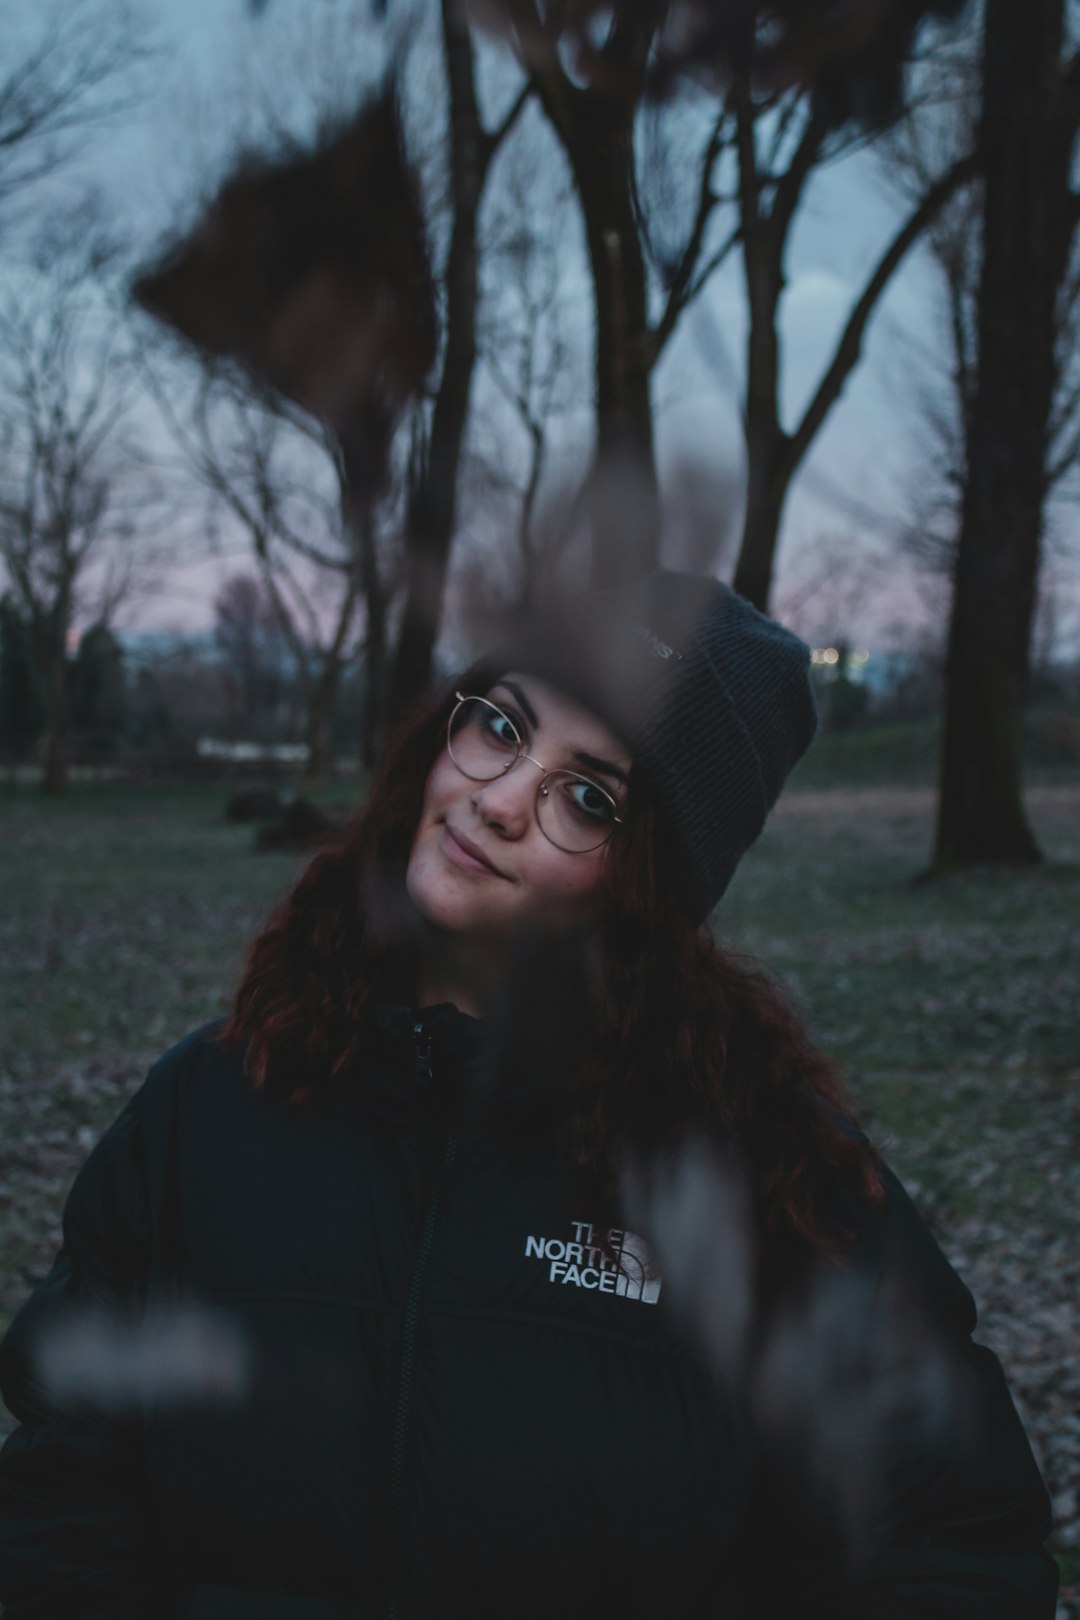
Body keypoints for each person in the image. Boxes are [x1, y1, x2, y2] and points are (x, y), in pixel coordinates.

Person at [0, 571, 1058, 1619]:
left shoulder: (764, 1178)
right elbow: (62, 1494)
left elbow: (957, 1547)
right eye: (502, 729)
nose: (499, 802)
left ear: (650, 890)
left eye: (588, 797)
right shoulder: (209, 1107)